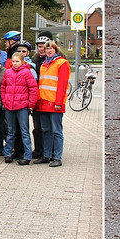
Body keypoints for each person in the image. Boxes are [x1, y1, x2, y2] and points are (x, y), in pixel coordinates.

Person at [35, 39, 71, 168]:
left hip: (54, 102)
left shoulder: (61, 63)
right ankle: (46, 155)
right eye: (46, 49)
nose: (48, 51)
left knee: (56, 131)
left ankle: (57, 157)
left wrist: (59, 102)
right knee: (46, 130)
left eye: (51, 49)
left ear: (55, 50)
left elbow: (62, 85)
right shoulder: (45, 64)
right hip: (43, 102)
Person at [0, 49, 37, 165]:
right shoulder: (8, 72)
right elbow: (3, 87)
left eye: (17, 61)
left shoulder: (27, 73)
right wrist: (5, 100)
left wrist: (30, 104)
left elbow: (33, 89)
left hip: (22, 106)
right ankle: (8, 153)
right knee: (11, 131)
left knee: (24, 131)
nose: (15, 63)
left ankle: (27, 155)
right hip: (9, 106)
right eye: (14, 61)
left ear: (22, 61)